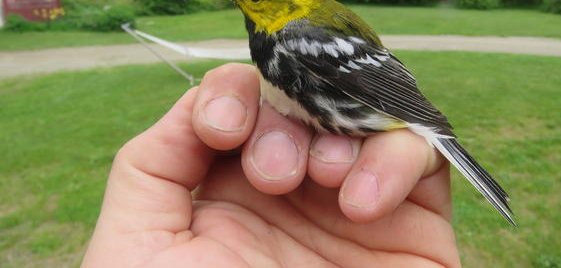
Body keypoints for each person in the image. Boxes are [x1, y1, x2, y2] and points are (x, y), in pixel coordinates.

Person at [81, 63, 461, 267]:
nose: (241, 0)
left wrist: (422, 117)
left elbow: (372, 78)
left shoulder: (300, 37)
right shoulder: (277, 44)